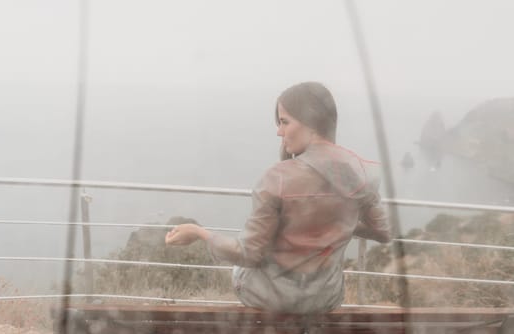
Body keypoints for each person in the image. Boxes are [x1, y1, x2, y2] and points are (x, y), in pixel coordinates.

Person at [165, 82, 391, 313]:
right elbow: (383, 232)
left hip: (272, 300)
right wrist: (339, 222)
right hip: (325, 299)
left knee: (239, 271)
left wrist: (199, 233)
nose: (278, 132)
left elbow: (248, 254)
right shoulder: (360, 174)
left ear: (310, 123)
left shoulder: (276, 178)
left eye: (284, 122)